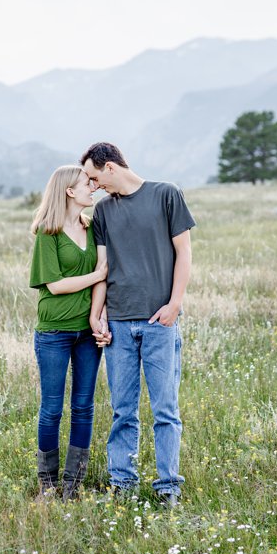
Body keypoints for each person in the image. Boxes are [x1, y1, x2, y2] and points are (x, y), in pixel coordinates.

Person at [81, 142, 195, 507]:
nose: (94, 185)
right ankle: (123, 485)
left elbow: (184, 253)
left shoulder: (166, 195)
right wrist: (96, 314)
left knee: (165, 410)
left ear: (111, 167)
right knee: (122, 411)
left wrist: (174, 304)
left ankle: (168, 488)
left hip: (160, 321)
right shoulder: (102, 213)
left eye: (96, 177)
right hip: (119, 324)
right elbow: (102, 270)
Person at [28, 165, 107, 500]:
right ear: (69, 192)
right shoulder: (49, 233)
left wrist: (95, 318)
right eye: (87, 184)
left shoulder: (92, 228)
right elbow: (56, 286)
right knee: (52, 408)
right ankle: (47, 482)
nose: (94, 187)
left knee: (84, 406)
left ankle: (73, 484)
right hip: (54, 333)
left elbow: (104, 277)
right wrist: (98, 274)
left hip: (87, 334)